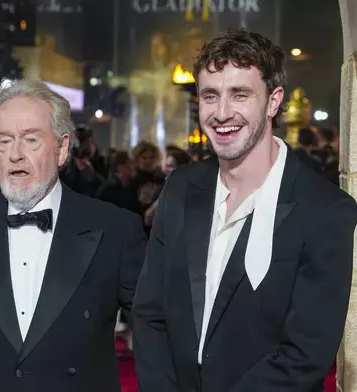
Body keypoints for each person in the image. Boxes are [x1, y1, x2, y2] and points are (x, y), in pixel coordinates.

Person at [132, 29, 357, 392]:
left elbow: (305, 354)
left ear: (273, 101)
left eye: (240, 94)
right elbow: (149, 314)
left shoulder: (326, 211)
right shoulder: (181, 189)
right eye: (210, 96)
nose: (221, 113)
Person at [0, 80, 146, 392]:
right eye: (4, 141)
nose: (15, 154)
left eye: (30, 140)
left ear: (62, 149)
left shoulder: (116, 229)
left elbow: (159, 329)